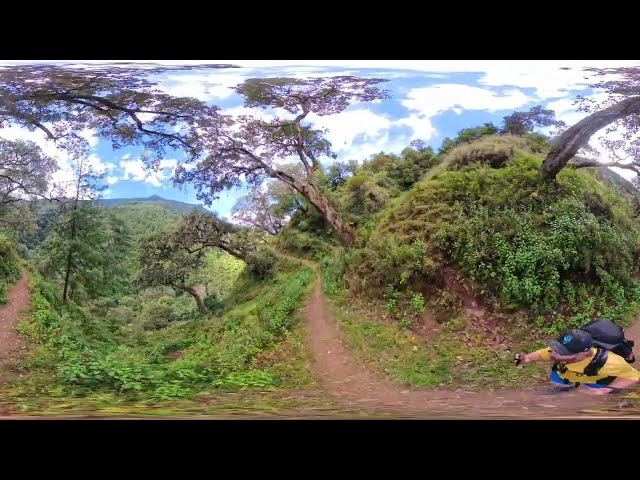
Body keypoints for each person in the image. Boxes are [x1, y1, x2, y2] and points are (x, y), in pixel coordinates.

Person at [514, 328, 640, 395]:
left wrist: (606, 390)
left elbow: (633, 376)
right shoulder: (558, 350)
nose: (553, 354)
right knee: (559, 383)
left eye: (563, 353)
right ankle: (566, 388)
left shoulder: (612, 362)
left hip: (593, 381)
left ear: (586, 354)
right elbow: (542, 354)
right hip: (566, 375)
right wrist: (526, 358)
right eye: (556, 348)